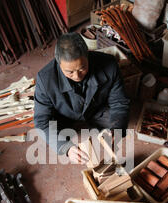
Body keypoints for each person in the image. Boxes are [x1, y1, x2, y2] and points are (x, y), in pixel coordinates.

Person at [34, 32, 130, 164]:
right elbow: (42, 122)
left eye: (82, 68)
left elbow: (119, 102)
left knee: (119, 125)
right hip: (63, 117)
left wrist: (117, 129)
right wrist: (67, 148)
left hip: (96, 110)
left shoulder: (109, 64)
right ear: (58, 63)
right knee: (54, 137)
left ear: (88, 54)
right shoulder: (45, 79)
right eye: (69, 72)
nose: (77, 76)